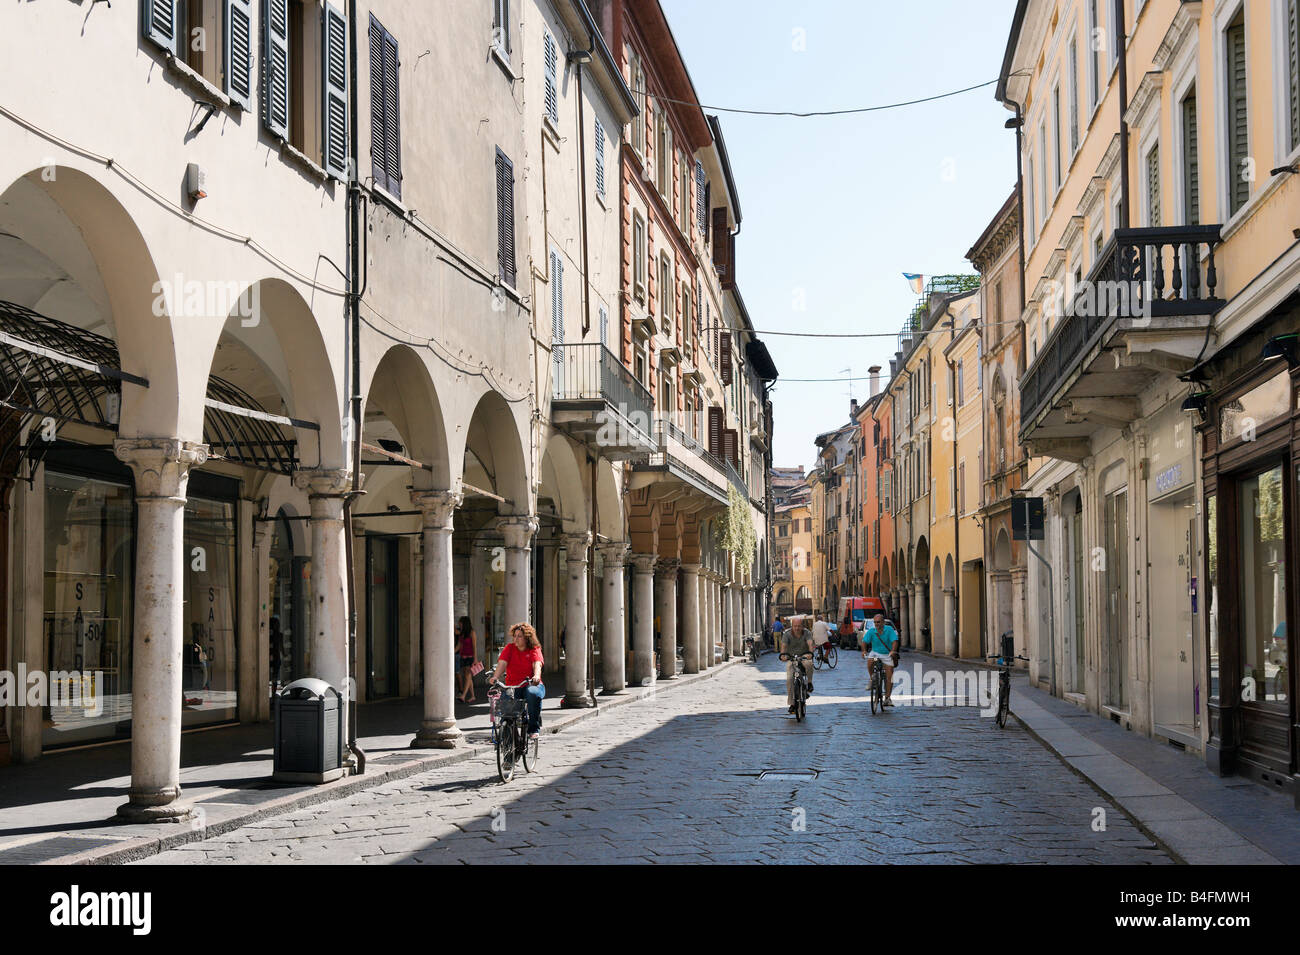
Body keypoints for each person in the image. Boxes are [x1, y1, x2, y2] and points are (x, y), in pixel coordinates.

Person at [488, 622, 545, 739]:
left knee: (532, 693)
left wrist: (536, 676)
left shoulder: (534, 649)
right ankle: (509, 740)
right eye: (515, 636)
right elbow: (502, 663)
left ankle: (533, 728)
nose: (516, 639)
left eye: (519, 636)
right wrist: (495, 677)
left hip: (530, 684)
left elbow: (537, 664)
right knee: (506, 709)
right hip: (513, 686)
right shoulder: (509, 648)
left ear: (527, 638)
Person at [862, 612, 901, 706]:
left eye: (878, 622)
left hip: (887, 654)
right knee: (870, 660)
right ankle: (873, 678)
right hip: (875, 653)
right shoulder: (871, 631)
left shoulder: (889, 630)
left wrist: (893, 651)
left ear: (883, 622)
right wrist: (863, 651)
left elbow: (895, 641)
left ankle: (887, 698)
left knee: (889, 675)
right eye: (875, 622)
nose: (876, 624)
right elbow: (864, 641)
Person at [781, 616, 815, 714]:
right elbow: (783, 647)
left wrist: (810, 653)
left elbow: (810, 644)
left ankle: (809, 683)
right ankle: (792, 704)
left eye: (799, 626)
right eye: (795, 626)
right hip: (791, 657)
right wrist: (783, 655)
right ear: (792, 626)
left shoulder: (807, 633)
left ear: (802, 626)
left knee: (809, 664)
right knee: (789, 679)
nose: (797, 628)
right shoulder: (787, 634)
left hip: (804, 656)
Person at [456, 616, 477, 704]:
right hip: (463, 657)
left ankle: (463, 696)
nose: (459, 624)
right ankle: (472, 696)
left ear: (464, 623)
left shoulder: (472, 632)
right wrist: (452, 652)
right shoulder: (462, 633)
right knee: (467, 677)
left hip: (470, 657)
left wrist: (475, 659)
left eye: (460, 623)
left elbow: (474, 646)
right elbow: (459, 646)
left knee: (468, 675)